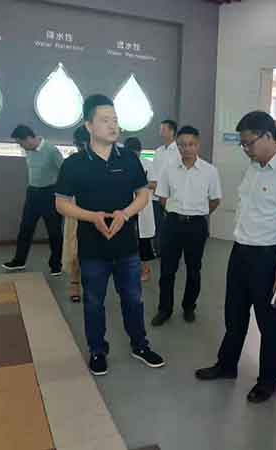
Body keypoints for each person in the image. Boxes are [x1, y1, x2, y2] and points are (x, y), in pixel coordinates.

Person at [195, 111, 276, 404]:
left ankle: (268, 381)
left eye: (249, 143)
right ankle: (226, 365)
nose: (245, 149)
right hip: (240, 250)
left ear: (268, 136)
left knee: (269, 322)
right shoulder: (254, 167)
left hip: (267, 256)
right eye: (242, 144)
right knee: (234, 313)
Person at [55, 94, 165, 376]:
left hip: (127, 248)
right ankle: (97, 350)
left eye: (115, 120)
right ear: (89, 125)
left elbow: (143, 194)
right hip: (92, 249)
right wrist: (92, 216)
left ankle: (140, 345)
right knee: (94, 303)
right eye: (105, 120)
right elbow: (61, 203)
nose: (113, 125)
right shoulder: (74, 164)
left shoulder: (128, 159)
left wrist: (125, 214)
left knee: (134, 299)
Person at [151, 126, 222, 326]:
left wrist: (198, 213)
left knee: (194, 269)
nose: (186, 148)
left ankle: (189, 307)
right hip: (172, 224)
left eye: (191, 144)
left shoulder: (209, 171)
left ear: (198, 145)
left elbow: (215, 200)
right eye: (182, 145)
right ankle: (164, 309)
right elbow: (162, 196)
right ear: (178, 146)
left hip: (196, 226)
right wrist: (175, 211)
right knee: (167, 270)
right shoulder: (169, 169)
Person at [2, 125, 64, 276]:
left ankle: (56, 264)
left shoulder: (51, 150)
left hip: (50, 194)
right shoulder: (28, 150)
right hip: (32, 194)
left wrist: (62, 195)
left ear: (28, 138)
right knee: (25, 229)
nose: (20, 147)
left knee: (54, 231)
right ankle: (19, 260)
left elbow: (64, 172)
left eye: (20, 143)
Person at [62, 125, 90, 303]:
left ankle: (92, 283)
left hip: (98, 210)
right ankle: (74, 282)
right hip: (75, 209)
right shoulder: (72, 162)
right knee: (74, 248)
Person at [123, 137, 157, 282]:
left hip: (142, 206)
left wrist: (140, 183)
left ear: (140, 152)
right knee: (126, 238)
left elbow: (155, 184)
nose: (133, 156)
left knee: (144, 240)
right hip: (126, 205)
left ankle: (146, 269)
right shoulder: (121, 163)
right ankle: (126, 268)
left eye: (135, 153)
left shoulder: (148, 164)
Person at [148, 119, 180, 255]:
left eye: (163, 129)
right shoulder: (159, 151)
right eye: (160, 129)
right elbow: (153, 171)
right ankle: (159, 250)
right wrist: (153, 184)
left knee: (171, 224)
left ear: (172, 132)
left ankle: (171, 249)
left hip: (171, 195)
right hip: (156, 195)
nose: (160, 132)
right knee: (158, 224)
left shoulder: (178, 151)